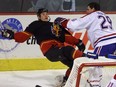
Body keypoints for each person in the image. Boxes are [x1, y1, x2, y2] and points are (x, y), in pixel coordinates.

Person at [1, 8, 89, 87]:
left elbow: (66, 36)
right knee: (69, 49)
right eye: (43, 14)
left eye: (47, 13)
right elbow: (24, 36)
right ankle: (86, 58)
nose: (46, 15)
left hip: (59, 50)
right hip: (50, 51)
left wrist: (78, 42)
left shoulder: (55, 25)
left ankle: (65, 81)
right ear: (39, 16)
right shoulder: (36, 24)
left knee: (73, 65)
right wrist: (13, 35)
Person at [54, 2, 116, 86]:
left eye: (88, 9)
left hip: (105, 43)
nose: (86, 11)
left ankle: (95, 85)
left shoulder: (92, 15)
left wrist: (62, 21)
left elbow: (74, 25)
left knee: (94, 68)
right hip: (114, 41)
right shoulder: (105, 16)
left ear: (93, 9)